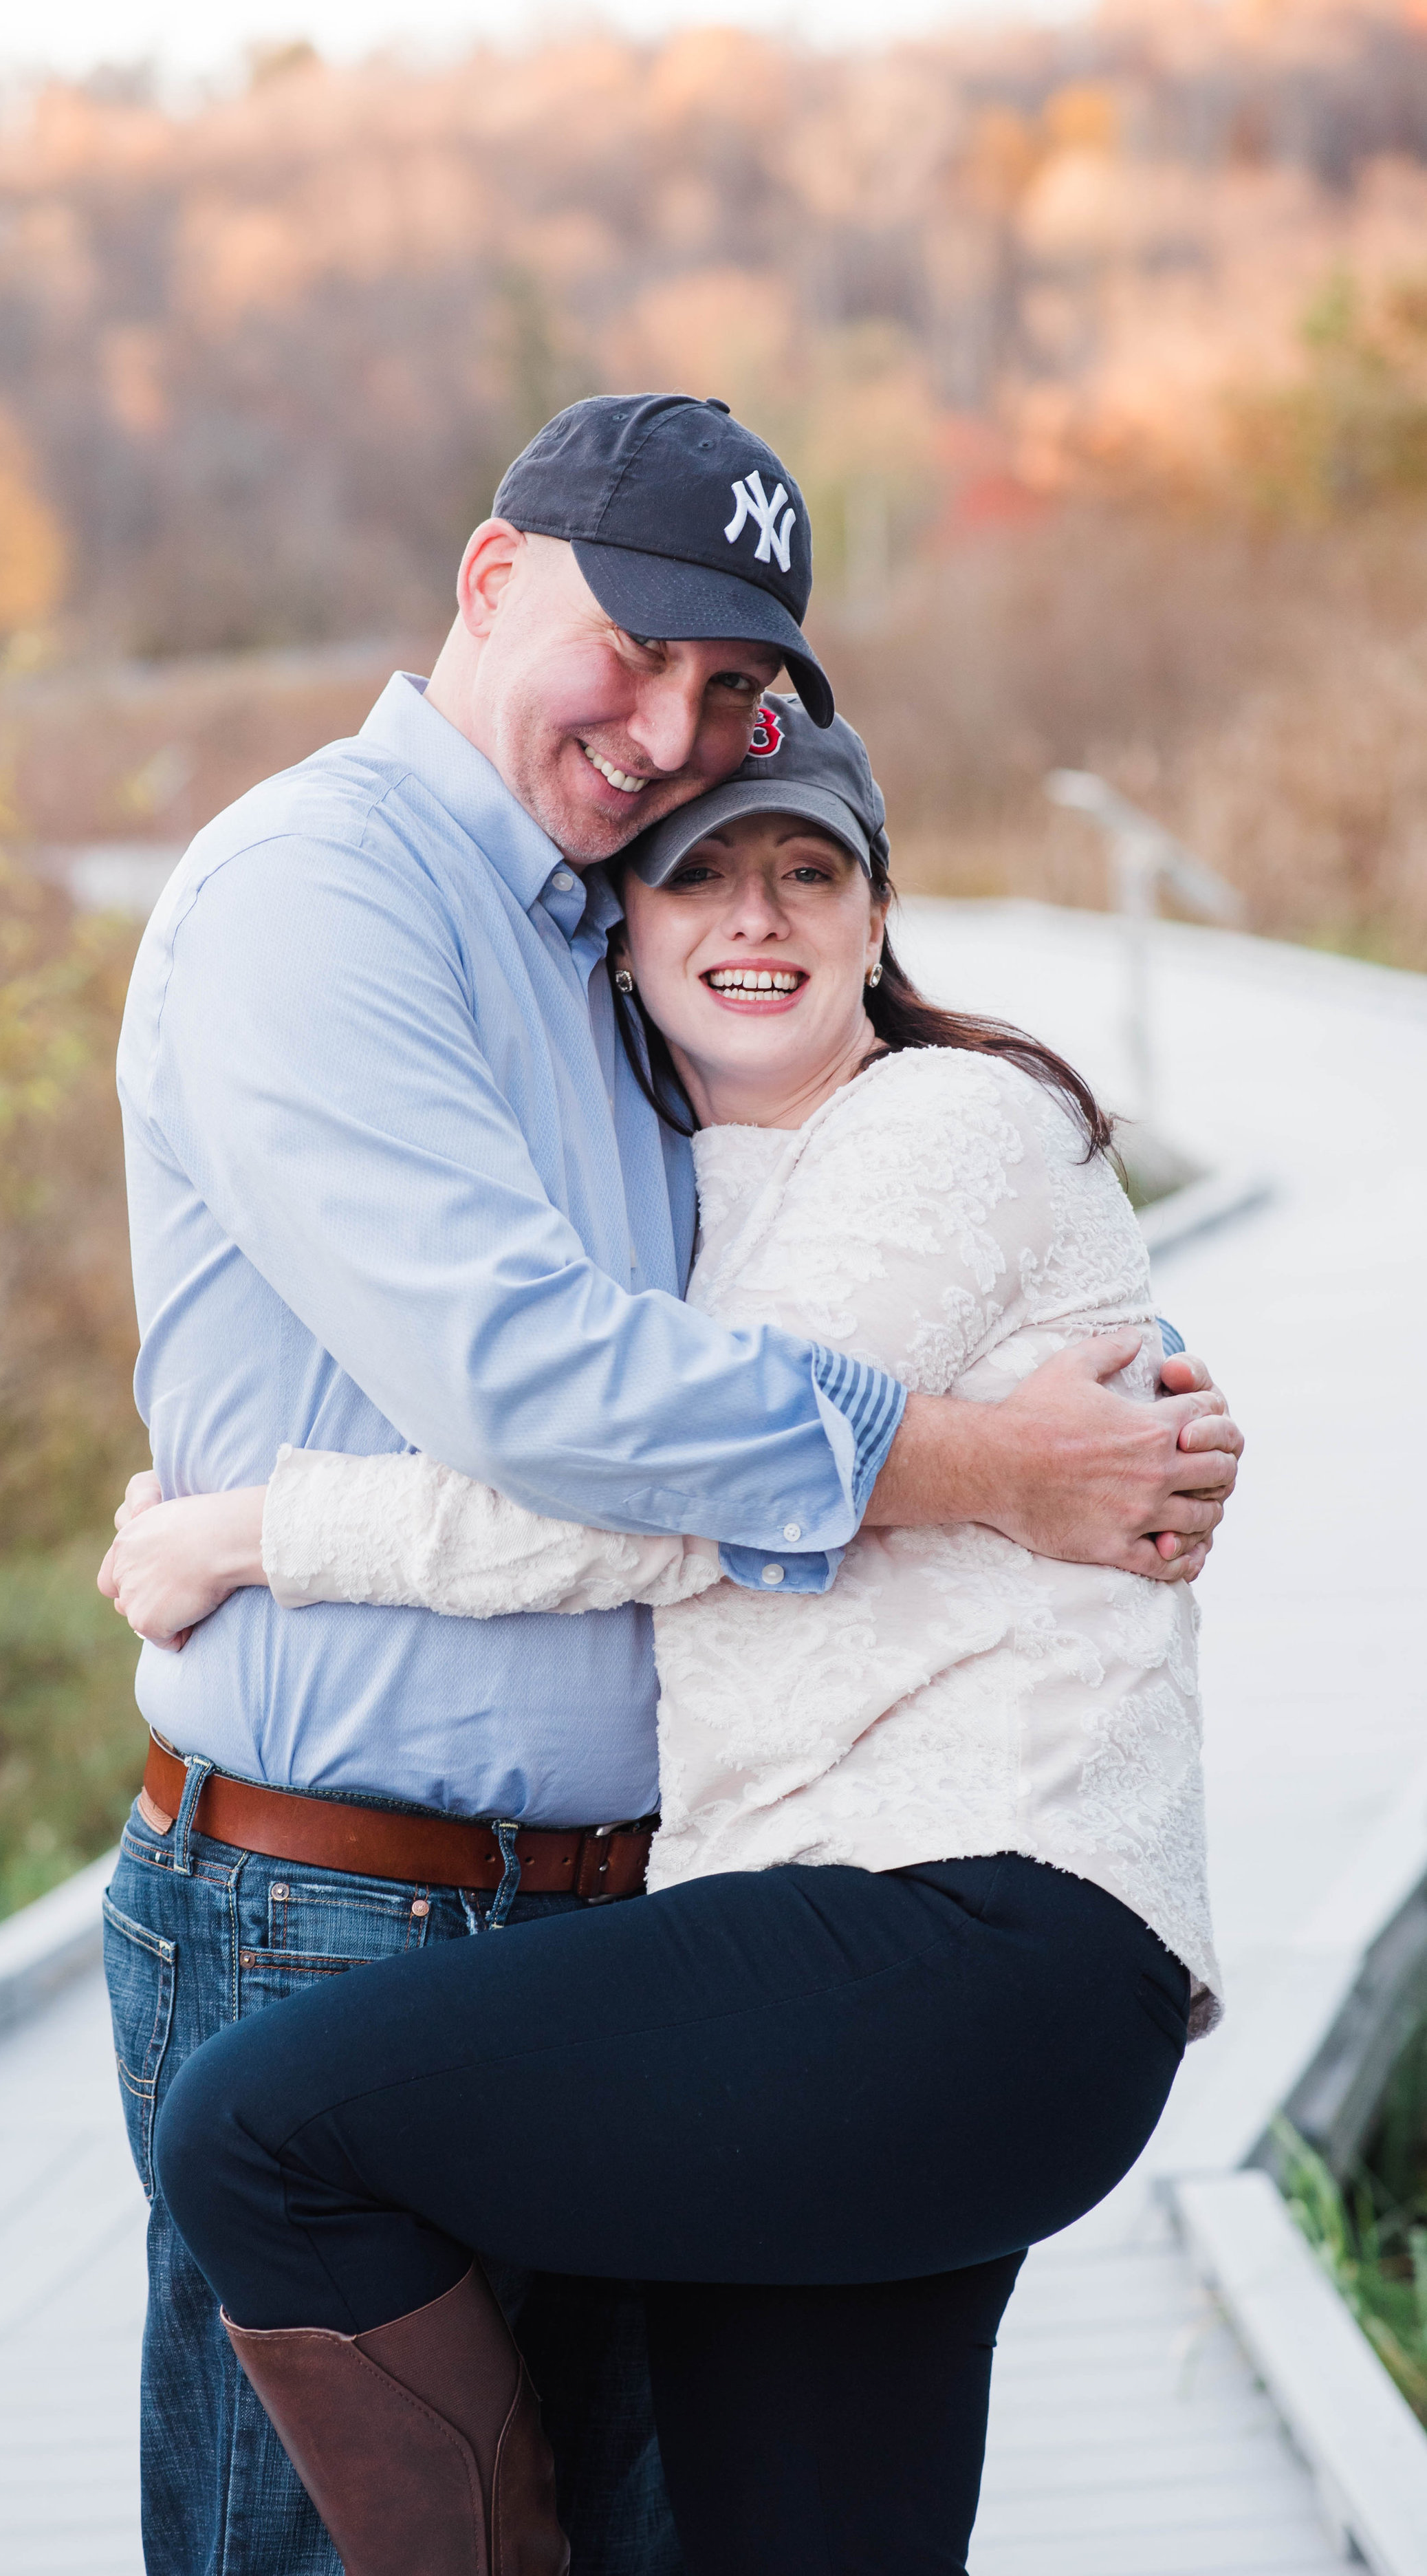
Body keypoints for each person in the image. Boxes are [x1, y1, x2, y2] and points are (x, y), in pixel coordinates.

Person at [104, 393, 1241, 2576]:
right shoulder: (318, 891)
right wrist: (986, 1460)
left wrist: (1123, 1422)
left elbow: (800, 1364)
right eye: (631, 653)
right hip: (342, 1906)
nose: (663, 733)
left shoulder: (655, 998)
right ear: (489, 575)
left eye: (731, 707)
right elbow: (545, 1390)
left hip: (670, 1924)